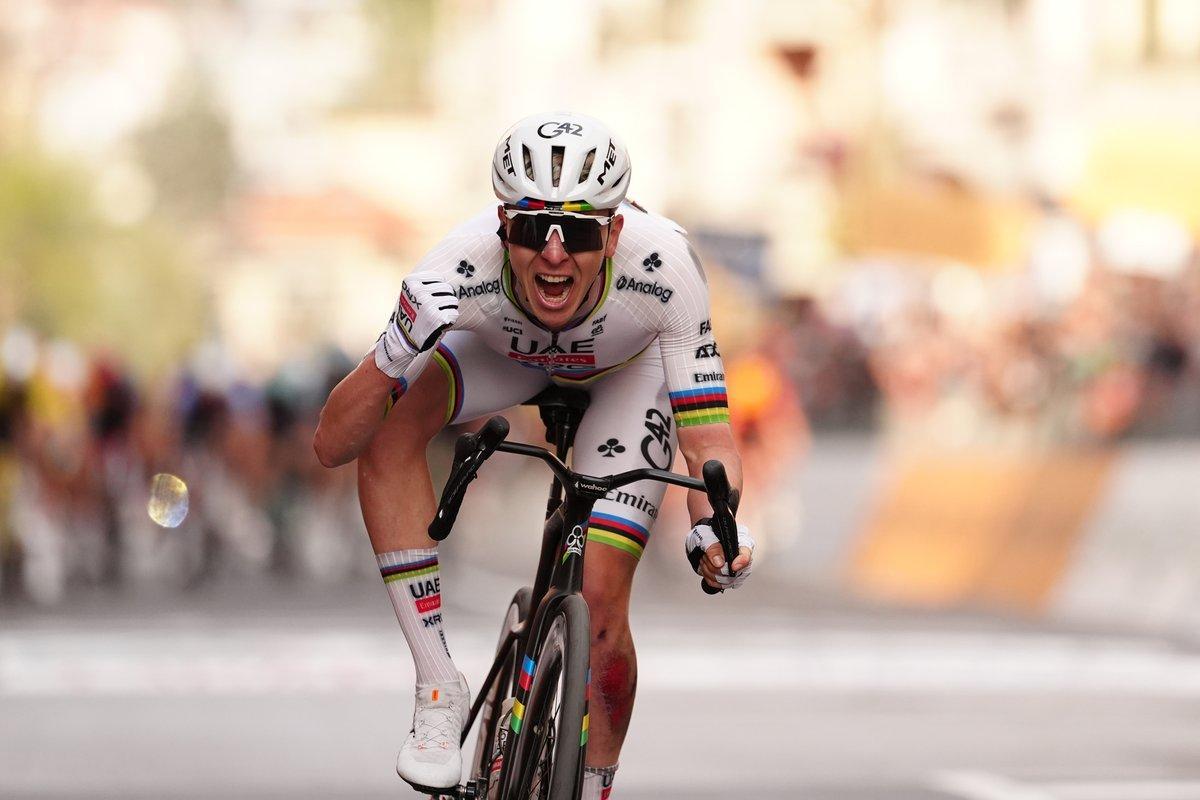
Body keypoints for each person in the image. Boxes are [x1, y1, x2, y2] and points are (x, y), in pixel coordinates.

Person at [313, 111, 755, 799]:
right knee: (391, 428)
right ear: (501, 228)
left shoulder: (666, 266)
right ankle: (438, 689)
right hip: (504, 358)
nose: (554, 254)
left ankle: (596, 786)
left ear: (613, 233)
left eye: (578, 232)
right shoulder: (458, 267)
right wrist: (392, 353)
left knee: (602, 606)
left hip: (624, 376)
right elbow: (334, 444)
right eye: (530, 229)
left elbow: (707, 442)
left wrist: (717, 526)